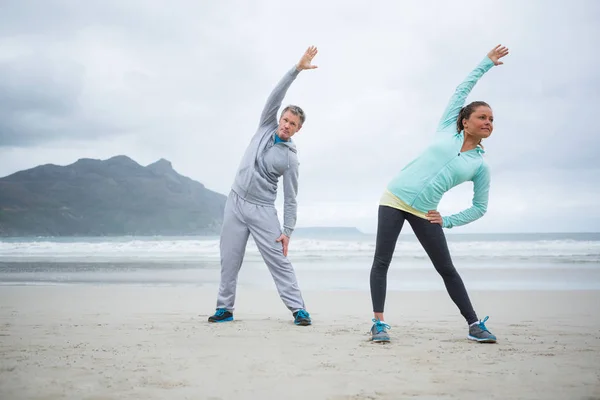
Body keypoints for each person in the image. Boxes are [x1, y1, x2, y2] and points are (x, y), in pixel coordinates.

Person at [369, 44, 510, 343]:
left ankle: (474, 324)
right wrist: (486, 63)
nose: (488, 123)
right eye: (483, 117)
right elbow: (462, 89)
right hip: (394, 198)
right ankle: (378, 324)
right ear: (465, 120)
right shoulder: (448, 127)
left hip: (426, 212)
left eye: (492, 120)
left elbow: (479, 207)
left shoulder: (480, 165)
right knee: (382, 261)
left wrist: (446, 221)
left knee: (446, 268)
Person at [208, 46, 319, 326]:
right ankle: (225, 309)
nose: (286, 125)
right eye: (285, 119)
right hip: (235, 203)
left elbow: (291, 198)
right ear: (279, 118)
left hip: (262, 209)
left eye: (293, 124)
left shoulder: (291, 160)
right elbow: (276, 95)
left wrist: (287, 231)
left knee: (279, 262)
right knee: (229, 260)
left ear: (298, 129)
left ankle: (299, 310)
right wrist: (296, 69)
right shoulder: (265, 127)